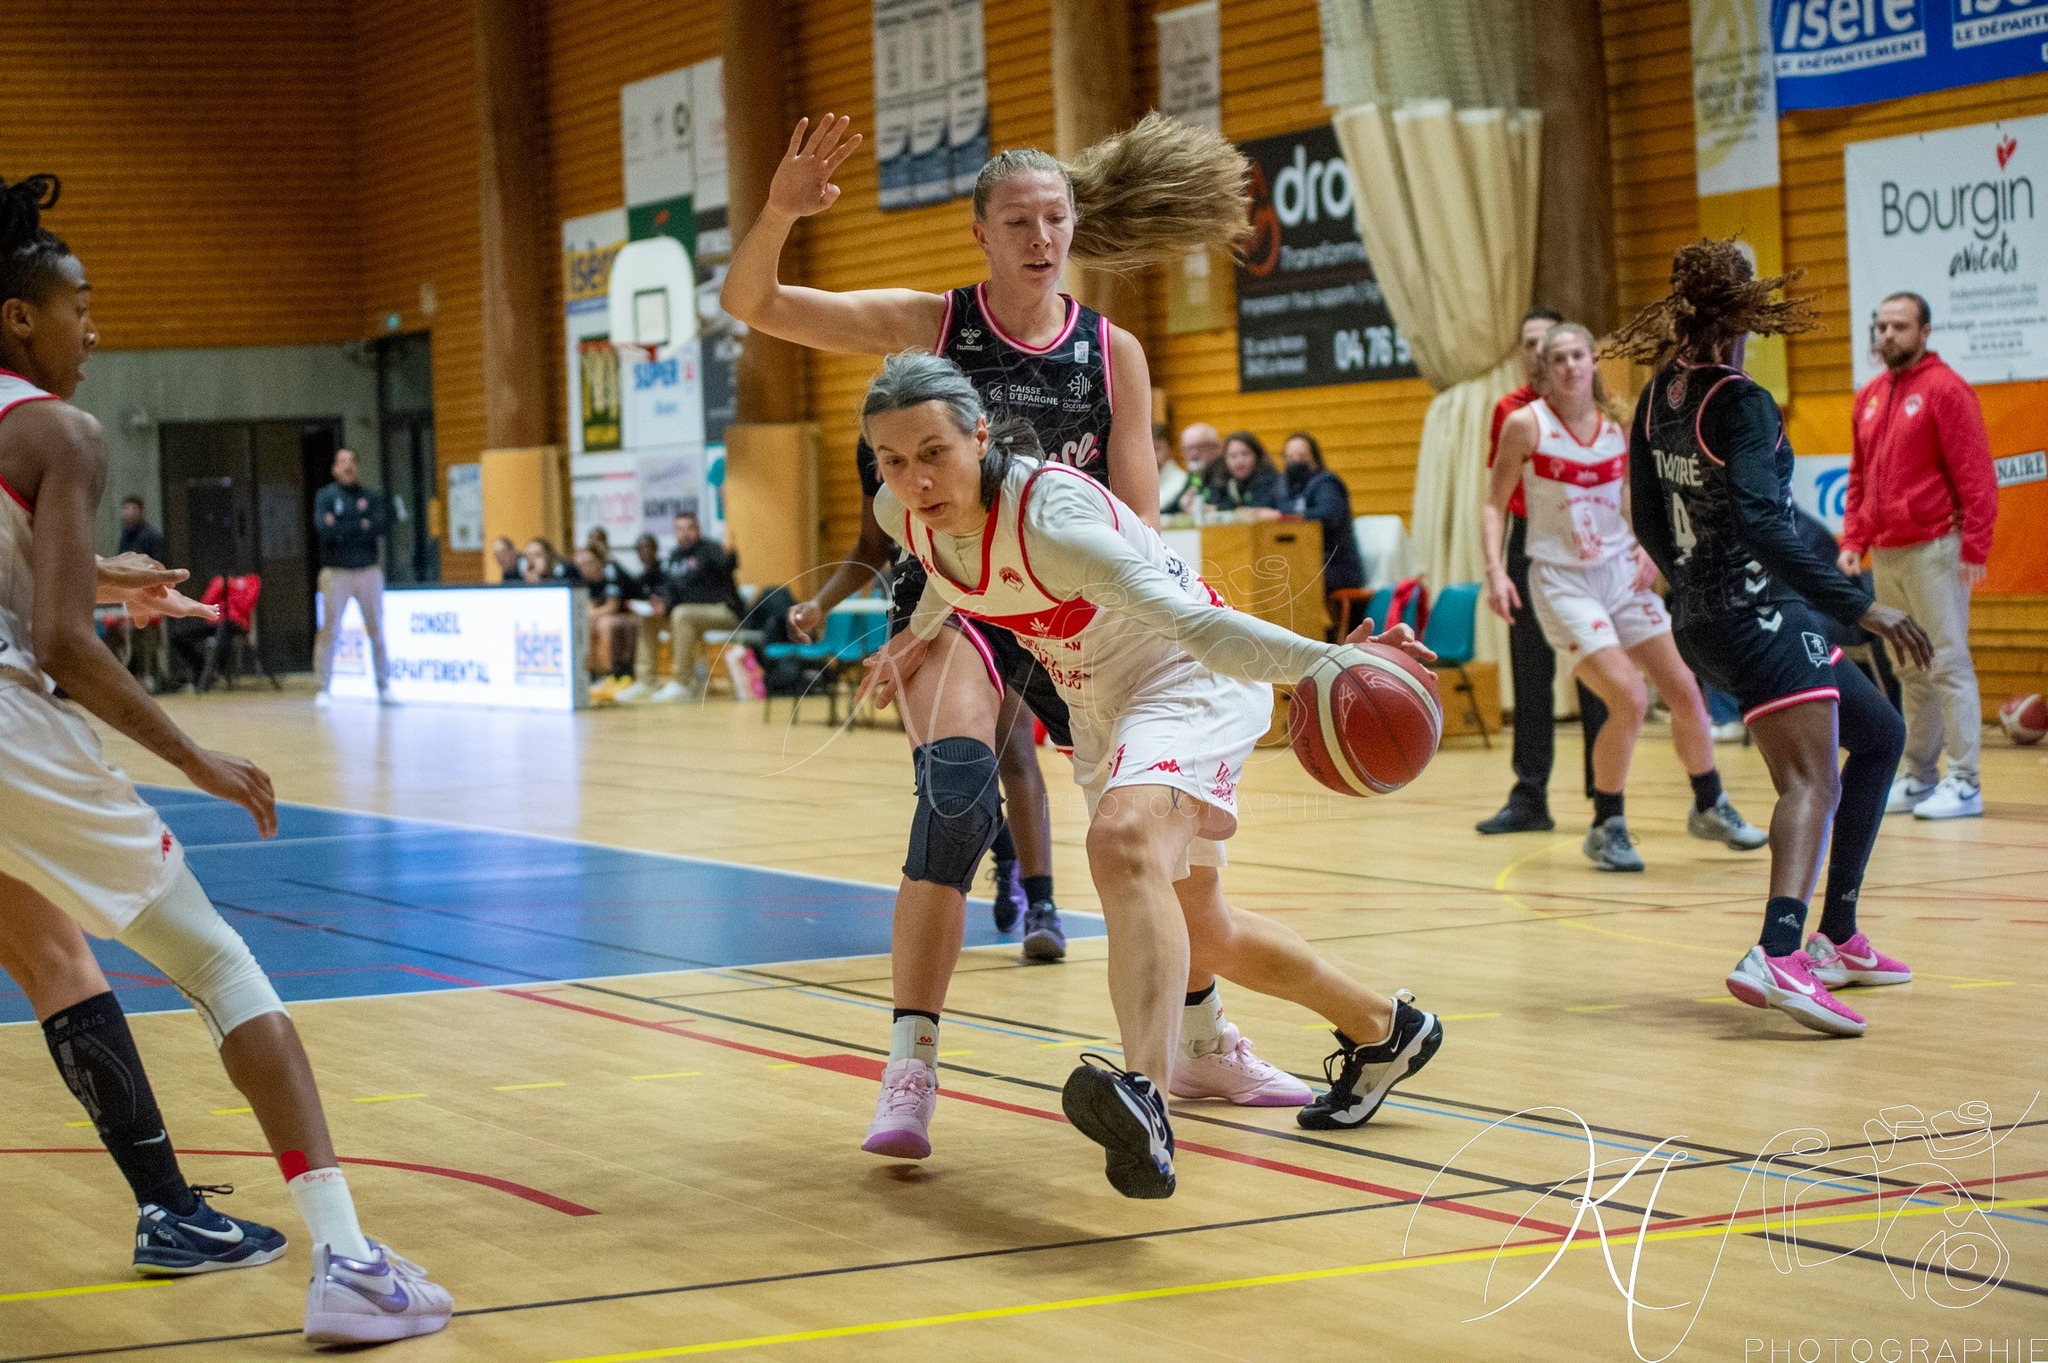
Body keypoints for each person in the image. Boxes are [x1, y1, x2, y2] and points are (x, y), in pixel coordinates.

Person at [723, 113, 1313, 1162]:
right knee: (955, 801)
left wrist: (1190, 650)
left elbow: (1137, 522)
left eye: (1053, 217)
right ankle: (910, 1065)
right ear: (981, 233)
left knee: (1159, 853)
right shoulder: (930, 322)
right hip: (960, 600)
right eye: (1016, 220)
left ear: (1073, 224)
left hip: (1085, 611)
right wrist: (779, 211)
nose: (1038, 237)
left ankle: (1203, 1039)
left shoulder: (1109, 351)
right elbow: (752, 304)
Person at [0, 169, 450, 1339]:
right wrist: (194, 754)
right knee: (219, 964)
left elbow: (31, 589)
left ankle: (173, 1214)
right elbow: (56, 644)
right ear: (19, 315)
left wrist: (100, 580)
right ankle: (349, 1261)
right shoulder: (62, 429)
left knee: (46, 948)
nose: (93, 329)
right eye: (79, 304)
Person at [858, 353, 1446, 1197]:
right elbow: (949, 570)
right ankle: (1387, 1029)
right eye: (893, 459)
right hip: (1103, 709)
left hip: (1185, 678)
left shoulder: (1051, 519)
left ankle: (1146, 1096)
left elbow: (1202, 627)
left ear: (979, 436)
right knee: (1203, 931)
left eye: (932, 453)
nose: (914, 478)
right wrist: (915, 630)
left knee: (1121, 838)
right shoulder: (906, 510)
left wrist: (1326, 661)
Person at [1618, 237, 1933, 1037]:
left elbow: (1650, 519)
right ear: (1748, 310)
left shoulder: (1657, 396)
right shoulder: (1741, 402)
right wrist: (1862, 606)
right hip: (1755, 615)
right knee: (1811, 783)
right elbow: (1764, 521)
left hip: (1701, 617)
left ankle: (1839, 936)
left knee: (1880, 730)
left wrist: (1691, 587)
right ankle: (1780, 953)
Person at [1485, 322, 1767, 871]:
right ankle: (1607, 823)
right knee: (1628, 696)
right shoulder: (1525, 425)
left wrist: (1648, 547)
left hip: (1620, 573)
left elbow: (1640, 495)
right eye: (1558, 358)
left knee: (1685, 689)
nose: (1570, 365)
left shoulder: (1621, 422)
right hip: (1562, 581)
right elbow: (1493, 502)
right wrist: (1496, 570)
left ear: (1595, 361)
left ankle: (1711, 804)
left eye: (1578, 355)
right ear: (1544, 369)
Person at [784, 440, 1045, 937]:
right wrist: (821, 603)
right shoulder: (874, 441)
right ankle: (1003, 845)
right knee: (953, 772)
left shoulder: (968, 410)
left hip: (989, 587)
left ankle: (1042, 904)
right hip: (915, 606)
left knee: (1014, 748)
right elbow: (870, 544)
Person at [1837, 292, 1997, 821]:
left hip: (1935, 548)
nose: (1887, 336)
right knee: (1909, 668)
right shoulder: (1870, 396)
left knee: (1947, 662)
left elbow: (1975, 474)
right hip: (1887, 552)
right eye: (1881, 326)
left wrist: (1974, 543)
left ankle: (1966, 782)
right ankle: (1921, 777)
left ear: (1924, 332)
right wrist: (1853, 542)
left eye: (1899, 327)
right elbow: (1859, 479)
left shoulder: (1946, 390)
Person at [1476, 306, 1609, 834]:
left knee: (1599, 675)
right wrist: (1497, 567)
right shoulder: (1513, 413)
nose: (1539, 353)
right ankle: (1531, 795)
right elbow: (1499, 496)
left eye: (1547, 344)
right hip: (1530, 551)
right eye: (1530, 344)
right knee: (1531, 675)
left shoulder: (1595, 411)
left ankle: (1607, 797)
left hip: (1586, 552)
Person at [311, 448, 392, 708]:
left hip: (368, 570)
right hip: (336, 572)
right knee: (330, 630)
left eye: (351, 462)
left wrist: (343, 526)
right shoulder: (325, 496)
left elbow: (380, 526)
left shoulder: (371, 496)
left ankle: (384, 686)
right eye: (342, 462)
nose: (347, 466)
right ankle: (324, 687)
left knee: (377, 629)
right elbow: (324, 529)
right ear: (335, 469)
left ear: (357, 467)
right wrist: (360, 525)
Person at [635, 511, 741, 703]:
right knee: (649, 617)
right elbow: (670, 588)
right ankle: (645, 680)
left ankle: (683, 682)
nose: (685, 533)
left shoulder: (711, 549)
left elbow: (727, 564)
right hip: (690, 615)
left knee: (681, 614)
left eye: (689, 528)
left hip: (723, 611)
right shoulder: (675, 557)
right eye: (680, 529)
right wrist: (662, 603)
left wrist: (731, 554)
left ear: (698, 529)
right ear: (675, 532)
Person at [1277, 432, 1365, 621]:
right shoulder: (1287, 489)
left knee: (1294, 579)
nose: (1295, 462)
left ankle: (1316, 631)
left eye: (1301, 456)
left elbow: (1327, 516)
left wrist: (1284, 517)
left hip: (1336, 566)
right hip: (1306, 563)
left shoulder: (1327, 484)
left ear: (1315, 459)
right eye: (1290, 457)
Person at [575, 545, 638, 688]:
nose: (585, 568)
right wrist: (590, 615)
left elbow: (613, 606)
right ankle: (591, 672)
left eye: (589, 563)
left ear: (600, 563)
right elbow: (590, 605)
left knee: (604, 624)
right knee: (587, 623)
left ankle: (607, 673)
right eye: (582, 564)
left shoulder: (611, 572)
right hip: (606, 614)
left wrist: (592, 615)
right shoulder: (584, 578)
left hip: (631, 612)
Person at [1203, 431, 1283, 513]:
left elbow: (1259, 509)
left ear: (1257, 456)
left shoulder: (1269, 480)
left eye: (1245, 454)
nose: (1239, 461)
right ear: (1225, 460)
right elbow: (1215, 503)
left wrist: (1222, 509)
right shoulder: (1222, 479)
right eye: (1233, 456)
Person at [1173, 422, 1223, 516]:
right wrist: (1181, 504)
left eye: (1199, 447)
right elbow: (1176, 506)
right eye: (1188, 449)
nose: (1193, 454)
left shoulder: (1225, 471)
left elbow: (1227, 505)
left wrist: (1215, 509)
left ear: (1215, 447)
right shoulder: (1196, 474)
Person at [1154, 422, 1190, 517]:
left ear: (1170, 450)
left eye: (1156, 449)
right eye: (1147, 450)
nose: (1151, 455)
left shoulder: (1181, 478)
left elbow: (1157, 506)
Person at [118, 494, 164, 561]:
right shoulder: (125, 533)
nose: (130, 512)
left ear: (141, 511)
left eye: (134, 508)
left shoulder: (151, 536)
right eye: (126, 508)